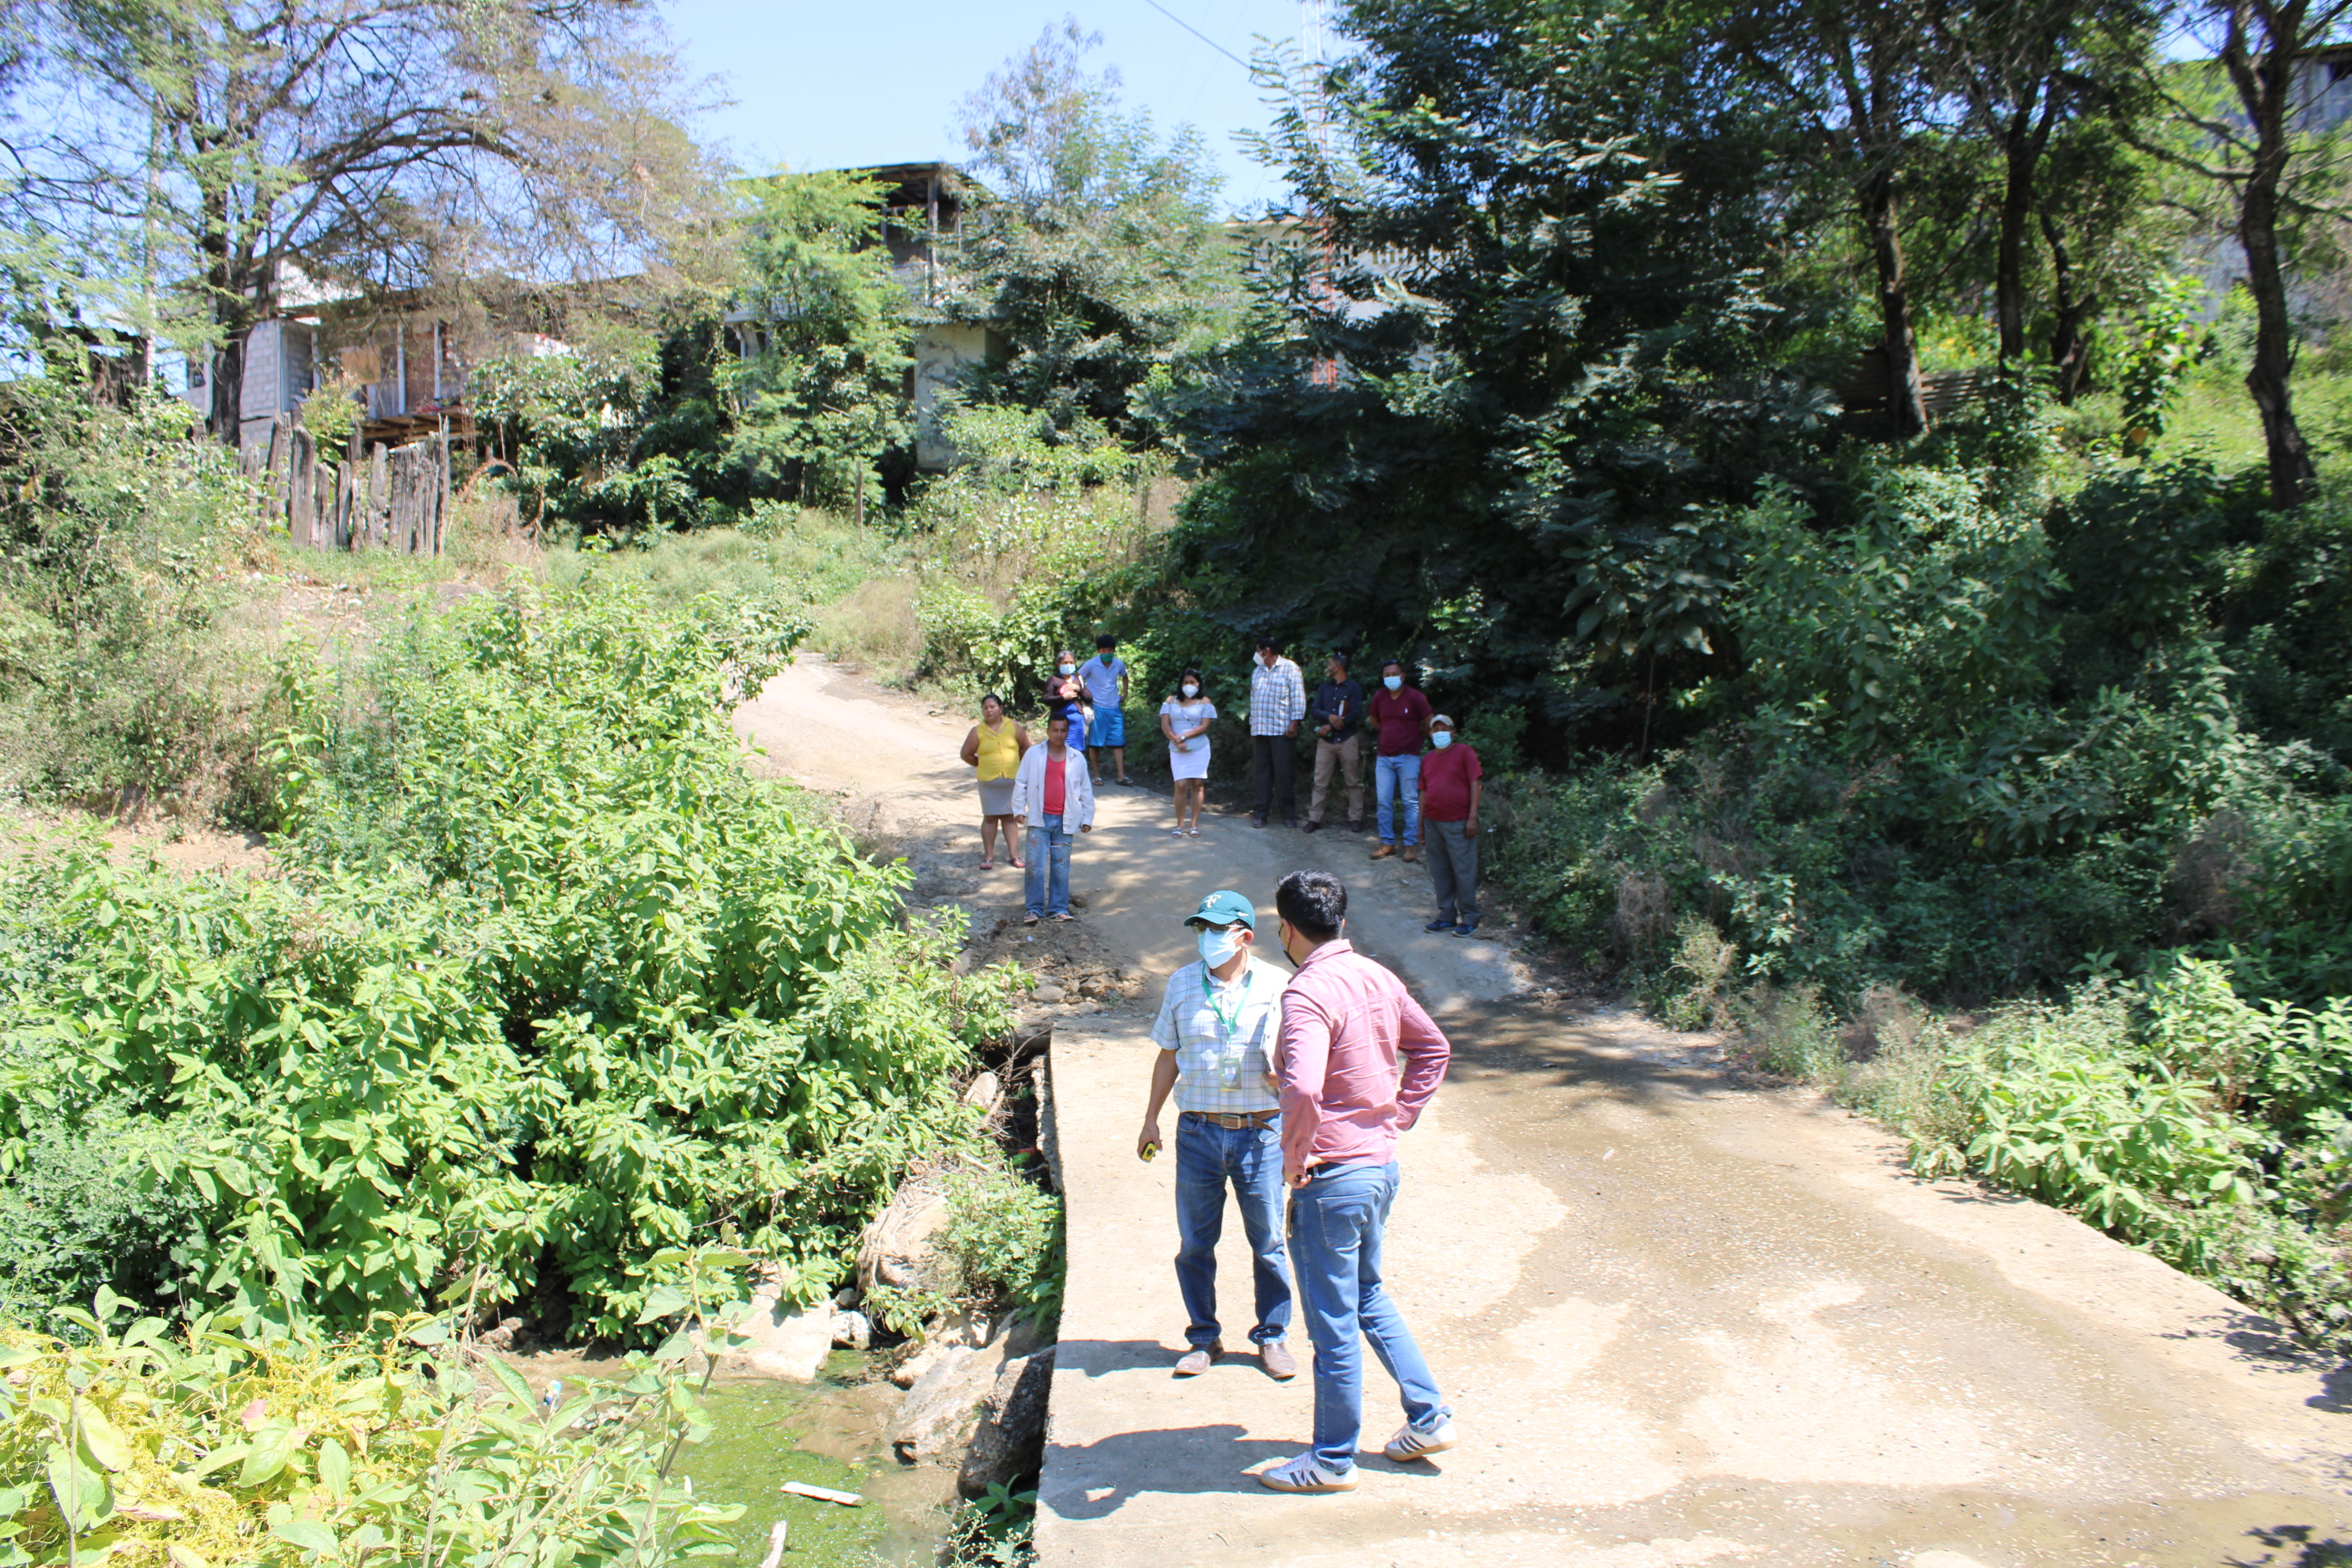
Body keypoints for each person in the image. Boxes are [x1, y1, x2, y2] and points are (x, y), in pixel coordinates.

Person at [1258, 869, 1454, 1494]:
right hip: (1377, 1167)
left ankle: (1332, 1460)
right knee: (1367, 1296)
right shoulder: (1377, 976)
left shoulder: (1306, 992)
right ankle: (1428, 1416)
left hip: (1332, 1178)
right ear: (1339, 920)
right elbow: (1433, 1048)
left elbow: (1304, 1086)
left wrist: (1295, 1156)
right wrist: (1398, 1114)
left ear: (1286, 929)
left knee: (1332, 1323)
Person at [1136, 889, 1298, 1381]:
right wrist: (1150, 1118)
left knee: (1268, 1242)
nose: (1206, 937)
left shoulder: (1280, 985)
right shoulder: (1182, 983)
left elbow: (1303, 1059)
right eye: (1201, 928)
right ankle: (1204, 1338)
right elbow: (1168, 1055)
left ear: (1244, 936)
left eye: (1216, 929)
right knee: (1195, 1243)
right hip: (1198, 1133)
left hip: (1261, 1134)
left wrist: (1287, 1081)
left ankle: (1272, 1337)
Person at [1011, 713, 1095, 925]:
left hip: (1065, 821)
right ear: (1048, 731)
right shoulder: (1033, 754)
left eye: (1063, 730)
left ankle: (1058, 908)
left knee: (1061, 867)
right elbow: (1021, 782)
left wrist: (1087, 818)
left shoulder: (1077, 758)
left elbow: (1085, 789)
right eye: (1055, 730)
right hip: (1039, 819)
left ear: (1068, 732)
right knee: (1034, 866)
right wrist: (1019, 809)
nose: (1059, 734)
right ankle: (1034, 909)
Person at [1419, 715, 1484, 936]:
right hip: (1432, 822)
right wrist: (1420, 825)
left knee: (1463, 870)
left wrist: (1472, 817)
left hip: (1459, 822)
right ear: (1430, 734)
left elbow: (1475, 784)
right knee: (1440, 871)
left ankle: (1470, 917)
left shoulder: (1464, 752)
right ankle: (1446, 916)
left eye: (1444, 728)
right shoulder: (1428, 759)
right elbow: (1423, 792)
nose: (1440, 732)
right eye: (1435, 729)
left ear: (1453, 732)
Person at [1366, 660, 1433, 863]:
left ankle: (1410, 845)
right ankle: (1387, 843)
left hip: (1409, 757)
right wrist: (1388, 734)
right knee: (1383, 802)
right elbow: (1374, 720)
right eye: (1387, 674)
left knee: (1410, 801)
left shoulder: (1415, 697)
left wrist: (1418, 737)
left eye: (1394, 673)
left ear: (1403, 676)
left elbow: (1429, 720)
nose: (1391, 677)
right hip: (1384, 757)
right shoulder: (1380, 697)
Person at [958, 693, 1031, 872]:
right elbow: (966, 754)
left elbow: (1025, 747)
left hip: (1011, 781)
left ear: (1001, 708)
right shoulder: (977, 731)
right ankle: (988, 856)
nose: (989, 710)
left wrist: (1019, 765)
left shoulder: (1013, 726)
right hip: (988, 783)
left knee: (1010, 818)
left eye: (993, 707)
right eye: (985, 708)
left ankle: (1014, 855)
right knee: (990, 818)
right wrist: (982, 764)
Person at [1246, 634, 1307, 829]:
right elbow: (1253, 701)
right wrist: (1253, 727)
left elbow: (1298, 697)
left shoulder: (1290, 668)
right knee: (1261, 774)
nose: (1256, 654)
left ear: (1266, 651)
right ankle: (1260, 814)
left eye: (1258, 650)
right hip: (1261, 731)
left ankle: (1288, 814)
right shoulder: (1257, 672)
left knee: (1284, 774)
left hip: (1282, 731)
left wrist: (1294, 724)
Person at [1303, 653, 1366, 835]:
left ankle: (1355, 818)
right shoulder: (1324, 688)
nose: (1328, 667)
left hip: (1347, 740)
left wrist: (1331, 726)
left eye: (1330, 663)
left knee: (1353, 781)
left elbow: (1355, 714)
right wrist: (1328, 717)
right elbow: (1315, 710)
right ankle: (1314, 819)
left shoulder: (1354, 688)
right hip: (1326, 742)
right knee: (1320, 781)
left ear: (1338, 666)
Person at [1160, 669, 1215, 838]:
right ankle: (1180, 824)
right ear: (1180, 683)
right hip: (1177, 749)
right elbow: (1165, 724)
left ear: (1198, 683)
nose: (1189, 685)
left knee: (1197, 784)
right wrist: (1176, 739)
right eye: (1186, 682)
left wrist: (1183, 737)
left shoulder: (1205, 701)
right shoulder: (1170, 700)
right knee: (1180, 785)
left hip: (1199, 748)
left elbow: (1205, 726)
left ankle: (1194, 824)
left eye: (1192, 682)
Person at [1077, 633, 1133, 786]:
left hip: (1114, 708)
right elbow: (1078, 676)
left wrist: (1125, 693)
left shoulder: (1118, 664)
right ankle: (1096, 776)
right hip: (1097, 708)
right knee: (1095, 744)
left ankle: (1121, 776)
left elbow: (1125, 677)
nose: (1106, 653)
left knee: (1118, 743)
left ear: (1113, 650)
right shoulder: (1091, 664)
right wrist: (1084, 692)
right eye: (1103, 651)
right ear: (1099, 651)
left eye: (1109, 650)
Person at [1045, 650, 1089, 749]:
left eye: (1071, 662)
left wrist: (1079, 689)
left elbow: (1089, 699)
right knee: (1061, 749)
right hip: (1060, 723)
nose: (1069, 665)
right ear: (1059, 664)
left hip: (1077, 723)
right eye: (1065, 663)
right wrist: (1063, 697)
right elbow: (1046, 699)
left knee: (1077, 751)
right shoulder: (1054, 680)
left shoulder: (1077, 679)